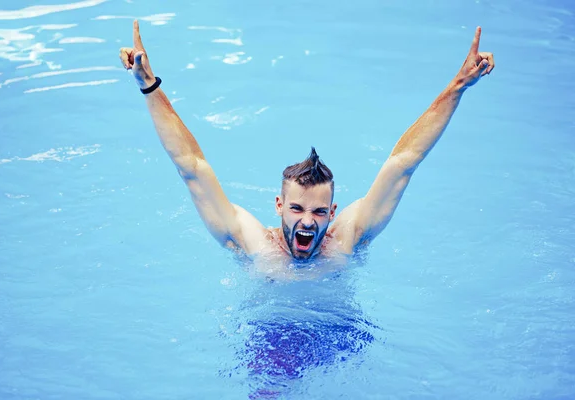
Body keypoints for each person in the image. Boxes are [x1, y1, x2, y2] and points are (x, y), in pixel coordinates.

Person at [119, 21, 494, 281]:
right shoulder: (253, 244)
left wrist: (458, 85)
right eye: (297, 208)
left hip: (339, 338)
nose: (308, 222)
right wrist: (149, 85)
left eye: (318, 211)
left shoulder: (346, 238)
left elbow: (404, 164)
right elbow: (192, 168)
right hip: (272, 343)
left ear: (332, 212)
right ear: (279, 206)